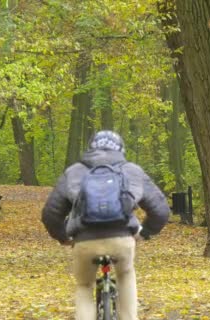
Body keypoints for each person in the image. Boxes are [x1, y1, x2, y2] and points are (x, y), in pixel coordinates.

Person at [41, 130, 170, 320]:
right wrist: (145, 232)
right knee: (125, 274)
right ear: (121, 149)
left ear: (90, 148)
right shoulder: (131, 170)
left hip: (85, 241)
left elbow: (50, 213)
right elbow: (161, 210)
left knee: (84, 286)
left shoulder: (74, 171)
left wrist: (64, 237)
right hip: (122, 239)